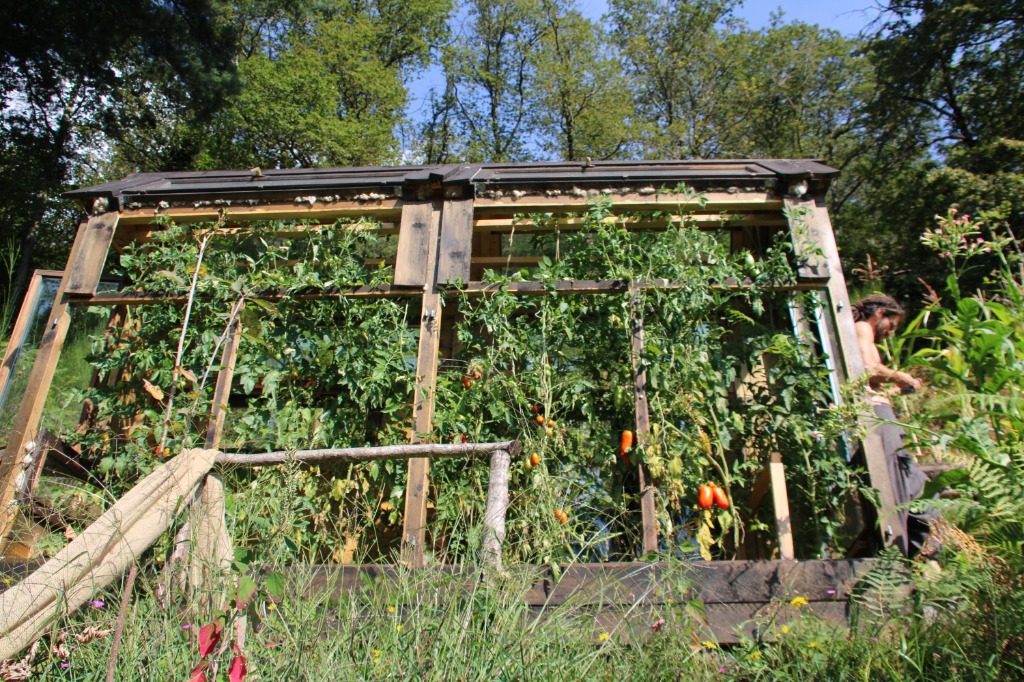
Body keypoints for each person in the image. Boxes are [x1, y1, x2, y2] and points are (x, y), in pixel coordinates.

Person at [852, 294, 934, 557]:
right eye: (892, 324)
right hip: (875, 416)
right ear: (879, 313)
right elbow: (866, 368)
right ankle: (898, 554)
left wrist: (898, 388)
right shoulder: (862, 327)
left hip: (880, 411)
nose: (891, 332)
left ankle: (918, 551)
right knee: (895, 485)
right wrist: (897, 375)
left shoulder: (866, 335)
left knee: (915, 484)